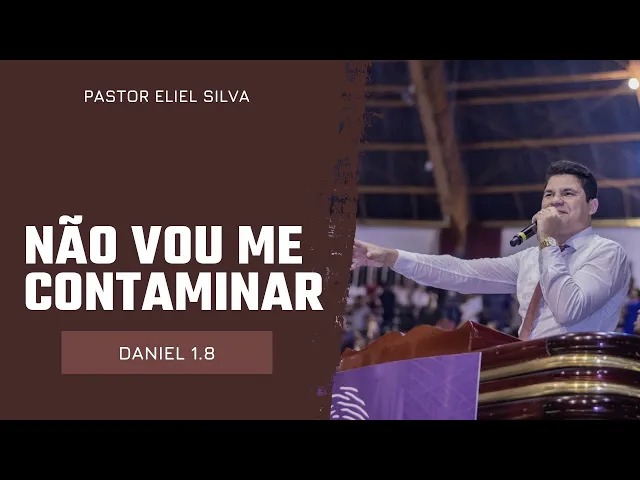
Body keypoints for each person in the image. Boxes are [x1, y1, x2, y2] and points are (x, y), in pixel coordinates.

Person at [351, 160, 631, 340]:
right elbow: (461, 273)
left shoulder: (606, 253)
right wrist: (392, 257)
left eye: (568, 193)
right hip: (527, 372)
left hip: (578, 376)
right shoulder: (529, 259)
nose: (555, 201)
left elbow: (569, 310)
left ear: (592, 206)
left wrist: (547, 241)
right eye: (549, 194)